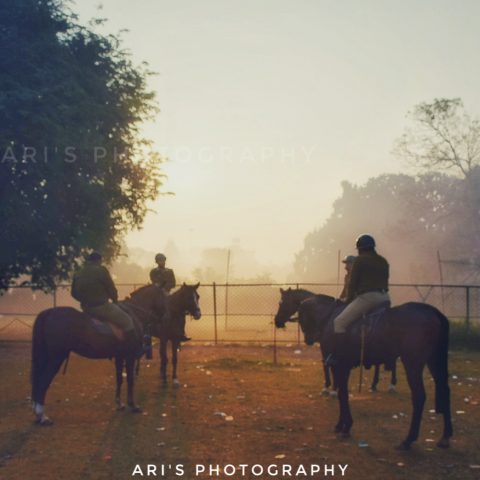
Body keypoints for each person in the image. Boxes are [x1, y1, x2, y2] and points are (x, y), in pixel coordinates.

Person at [326, 234, 390, 366]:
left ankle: (338, 356)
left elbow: (353, 284)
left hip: (367, 298)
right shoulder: (383, 261)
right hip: (385, 298)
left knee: (339, 322)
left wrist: (348, 300)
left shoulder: (360, 260)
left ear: (360, 248)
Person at [71, 252, 143, 357]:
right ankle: (131, 350)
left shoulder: (79, 272)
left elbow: (74, 293)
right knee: (128, 321)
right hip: (102, 307)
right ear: (99, 260)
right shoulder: (101, 270)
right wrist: (115, 300)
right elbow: (111, 289)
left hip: (86, 308)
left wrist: (84, 300)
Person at [150, 253, 190, 342]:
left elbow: (173, 283)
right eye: (160, 260)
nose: (162, 262)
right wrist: (160, 288)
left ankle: (181, 332)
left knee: (180, 311)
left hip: (167, 293)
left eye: (163, 260)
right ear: (157, 262)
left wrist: (166, 288)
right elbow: (154, 282)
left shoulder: (170, 271)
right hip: (156, 294)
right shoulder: (153, 272)